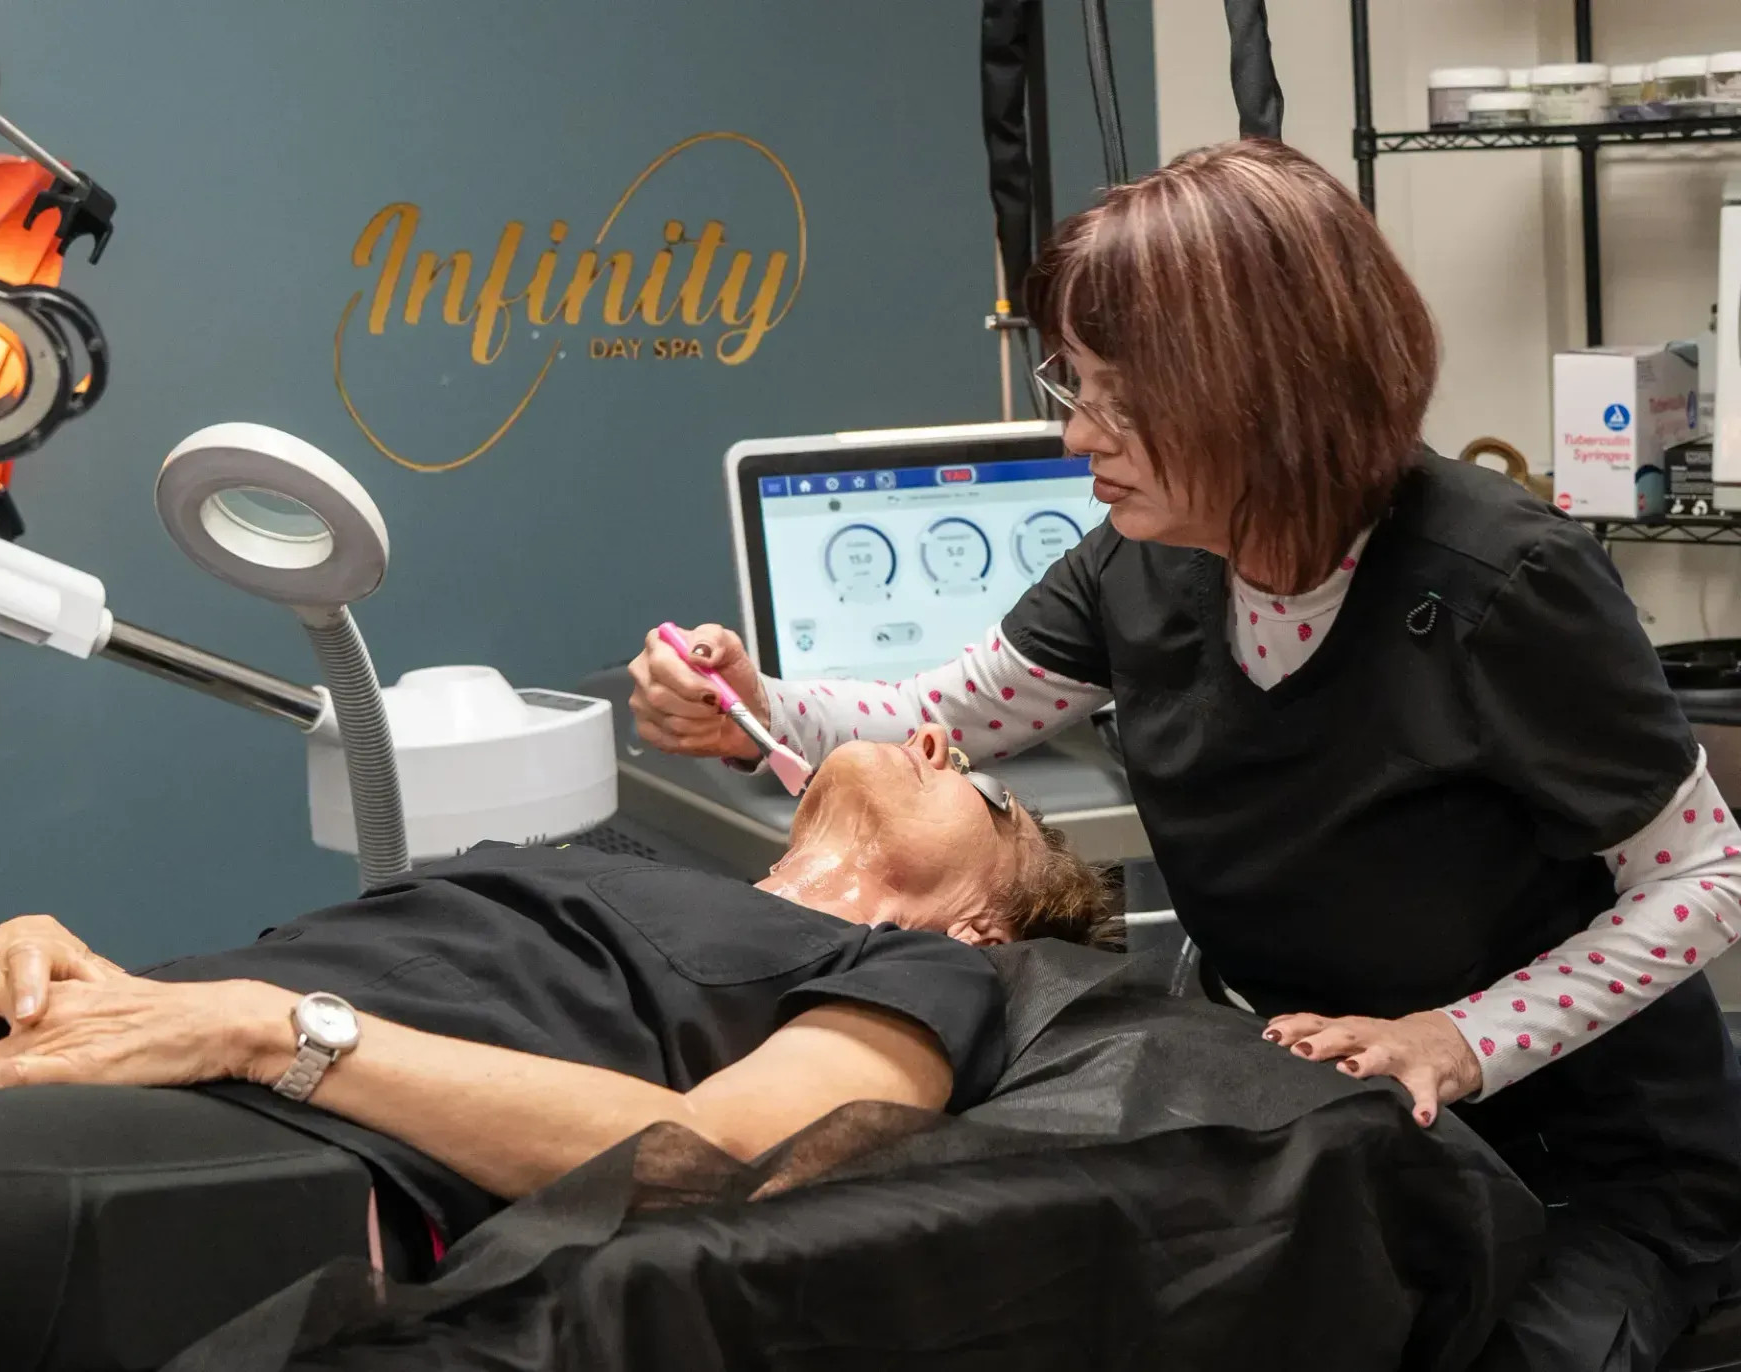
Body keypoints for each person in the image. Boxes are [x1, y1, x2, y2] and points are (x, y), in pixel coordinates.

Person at [630, 139, 1741, 1371]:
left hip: (1590, 1163)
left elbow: (1706, 876)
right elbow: (940, 709)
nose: (1074, 437)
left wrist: (1459, 1039)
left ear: (1259, 391)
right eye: (1077, 383)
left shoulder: (1501, 582)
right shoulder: (1143, 559)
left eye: (1117, 398)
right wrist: (753, 706)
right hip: (1346, 1126)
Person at [0, 723, 1119, 1370]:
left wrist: (269, 1031)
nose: (938, 738)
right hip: (142, 1039)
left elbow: (714, 1156)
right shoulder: (626, 863)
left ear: (989, 920)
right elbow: (324, 969)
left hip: (288, 1134)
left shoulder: (924, 974)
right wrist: (46, 956)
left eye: (987, 791)